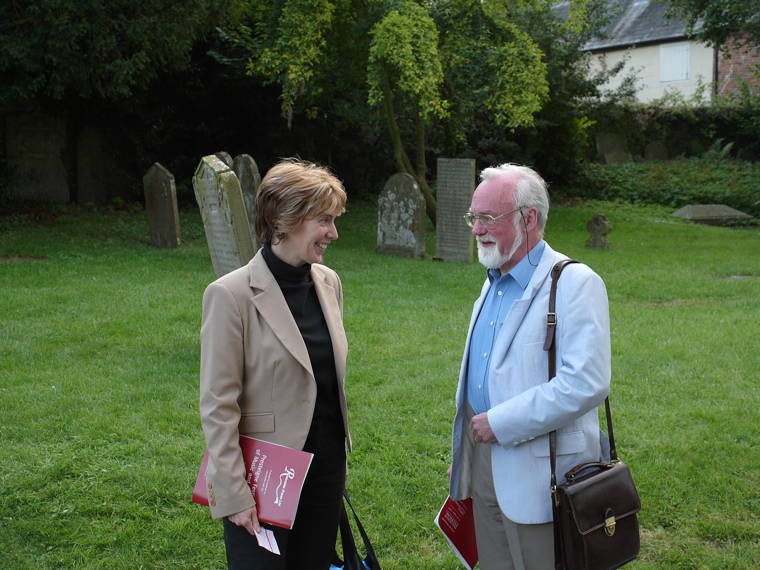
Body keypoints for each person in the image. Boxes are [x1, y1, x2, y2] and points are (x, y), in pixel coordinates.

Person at [448, 163, 611, 569]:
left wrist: (501, 422)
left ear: (529, 218)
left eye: (487, 218)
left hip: (543, 470)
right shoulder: (493, 278)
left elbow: (586, 382)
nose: (476, 229)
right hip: (483, 459)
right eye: (474, 217)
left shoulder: (575, 282)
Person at [199, 159, 351, 569]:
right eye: (324, 220)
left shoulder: (328, 282)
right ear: (287, 219)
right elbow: (218, 405)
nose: (333, 233)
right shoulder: (230, 295)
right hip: (263, 477)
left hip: (325, 469)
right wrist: (233, 492)